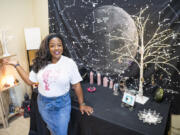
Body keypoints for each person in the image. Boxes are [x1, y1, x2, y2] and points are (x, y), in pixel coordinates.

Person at [2, 33, 93, 135]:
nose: (56, 48)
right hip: (43, 103)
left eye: (59, 45)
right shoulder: (41, 63)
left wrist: (82, 104)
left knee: (61, 132)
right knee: (50, 128)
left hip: (61, 105)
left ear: (63, 46)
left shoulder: (69, 63)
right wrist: (16, 65)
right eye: (52, 45)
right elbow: (29, 81)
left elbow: (76, 85)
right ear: (47, 48)